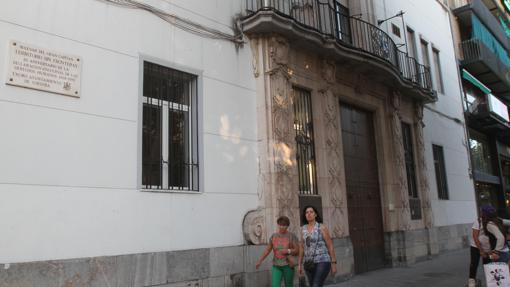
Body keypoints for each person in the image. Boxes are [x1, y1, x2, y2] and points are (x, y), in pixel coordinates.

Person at [298, 206, 337, 287]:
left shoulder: (322, 227)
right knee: (312, 285)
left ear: (315, 214)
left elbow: (330, 245)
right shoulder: (303, 229)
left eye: (311, 212)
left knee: (316, 285)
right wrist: (299, 264)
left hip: (322, 260)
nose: (309, 214)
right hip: (309, 263)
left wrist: (333, 263)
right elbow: (302, 247)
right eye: (306, 212)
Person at [255, 216, 298, 287]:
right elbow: (268, 250)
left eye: (284, 225)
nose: (281, 227)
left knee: (289, 285)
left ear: (287, 226)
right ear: (278, 225)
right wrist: (260, 260)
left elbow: (297, 250)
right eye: (280, 224)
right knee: (275, 285)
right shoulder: (273, 236)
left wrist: (288, 250)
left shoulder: (291, 236)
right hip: (276, 266)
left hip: (288, 265)